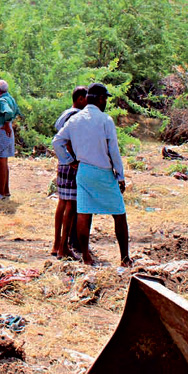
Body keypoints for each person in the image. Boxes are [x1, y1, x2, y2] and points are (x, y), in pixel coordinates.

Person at [52, 83, 131, 267]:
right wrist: (120, 175)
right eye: (105, 98)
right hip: (103, 171)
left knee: (84, 213)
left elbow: (57, 142)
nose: (106, 102)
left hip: (83, 171)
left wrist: (69, 160)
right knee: (119, 213)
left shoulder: (75, 119)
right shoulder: (105, 120)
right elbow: (113, 150)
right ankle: (125, 259)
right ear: (101, 98)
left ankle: (86, 257)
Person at [51, 86, 87, 258]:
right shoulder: (75, 116)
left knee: (62, 202)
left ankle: (56, 244)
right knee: (71, 205)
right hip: (71, 163)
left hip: (62, 162)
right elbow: (67, 140)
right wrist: (73, 157)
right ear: (80, 99)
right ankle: (63, 247)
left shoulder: (65, 113)